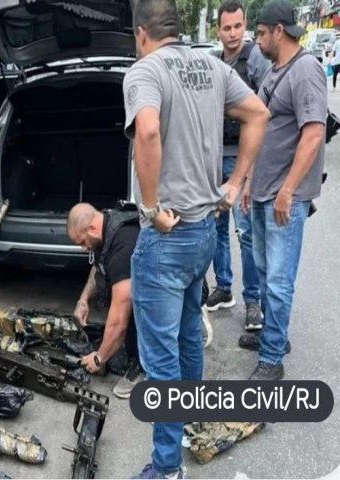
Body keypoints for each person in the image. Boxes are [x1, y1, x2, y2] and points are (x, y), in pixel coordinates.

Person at [123, 1, 269, 478]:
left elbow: (147, 131)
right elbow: (258, 114)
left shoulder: (144, 71)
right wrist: (236, 183)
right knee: (188, 336)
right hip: (205, 230)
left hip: (166, 238)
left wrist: (149, 207)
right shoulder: (211, 65)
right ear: (177, 28)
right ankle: (188, 423)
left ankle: (167, 468)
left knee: (160, 359)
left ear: (141, 33)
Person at [238, 0, 327, 381]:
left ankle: (272, 358)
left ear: (279, 30)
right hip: (262, 192)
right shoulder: (275, 70)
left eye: (260, 32)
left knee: (278, 280)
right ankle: (276, 336)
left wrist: (289, 191)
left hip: (283, 199)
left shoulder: (306, 70)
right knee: (263, 272)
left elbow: (314, 134)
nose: (255, 40)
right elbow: (260, 128)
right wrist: (247, 181)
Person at [206, 0, 271, 332]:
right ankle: (224, 287)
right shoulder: (216, 63)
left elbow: (264, 111)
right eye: (226, 28)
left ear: (244, 26)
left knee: (245, 232)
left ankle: (253, 302)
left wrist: (252, 169)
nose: (232, 33)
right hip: (217, 155)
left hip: (242, 158)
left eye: (237, 26)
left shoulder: (255, 58)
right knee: (217, 226)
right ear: (218, 30)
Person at [67, 203, 144, 399]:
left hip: (171, 291)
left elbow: (119, 320)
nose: (84, 249)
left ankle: (144, 367)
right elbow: (99, 266)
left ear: (91, 229)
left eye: (82, 242)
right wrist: (83, 300)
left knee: (131, 310)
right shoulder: (107, 222)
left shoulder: (122, 248)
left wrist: (99, 358)